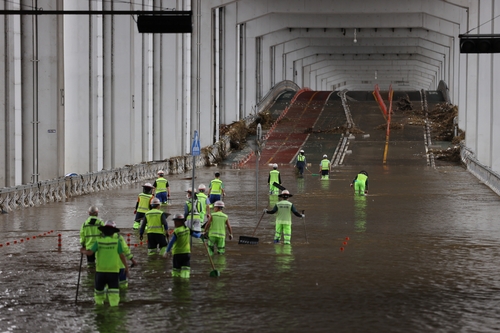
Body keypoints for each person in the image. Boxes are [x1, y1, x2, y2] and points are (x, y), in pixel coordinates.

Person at [80, 220, 129, 307]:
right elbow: (122, 256)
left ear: (102, 232)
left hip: (100, 272)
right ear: (113, 233)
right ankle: (114, 313)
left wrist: (83, 251)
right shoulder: (117, 242)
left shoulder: (98, 241)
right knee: (114, 295)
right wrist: (126, 267)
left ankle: (100, 312)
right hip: (113, 272)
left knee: (99, 295)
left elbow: (90, 253)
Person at [164, 213, 202, 278]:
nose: (174, 223)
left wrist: (166, 251)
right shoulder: (187, 229)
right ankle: (185, 283)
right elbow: (196, 235)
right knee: (186, 271)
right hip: (186, 253)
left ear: (180, 222)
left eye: (176, 221)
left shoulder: (177, 231)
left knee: (176, 271)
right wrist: (202, 235)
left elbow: (171, 243)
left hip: (177, 254)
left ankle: (177, 283)